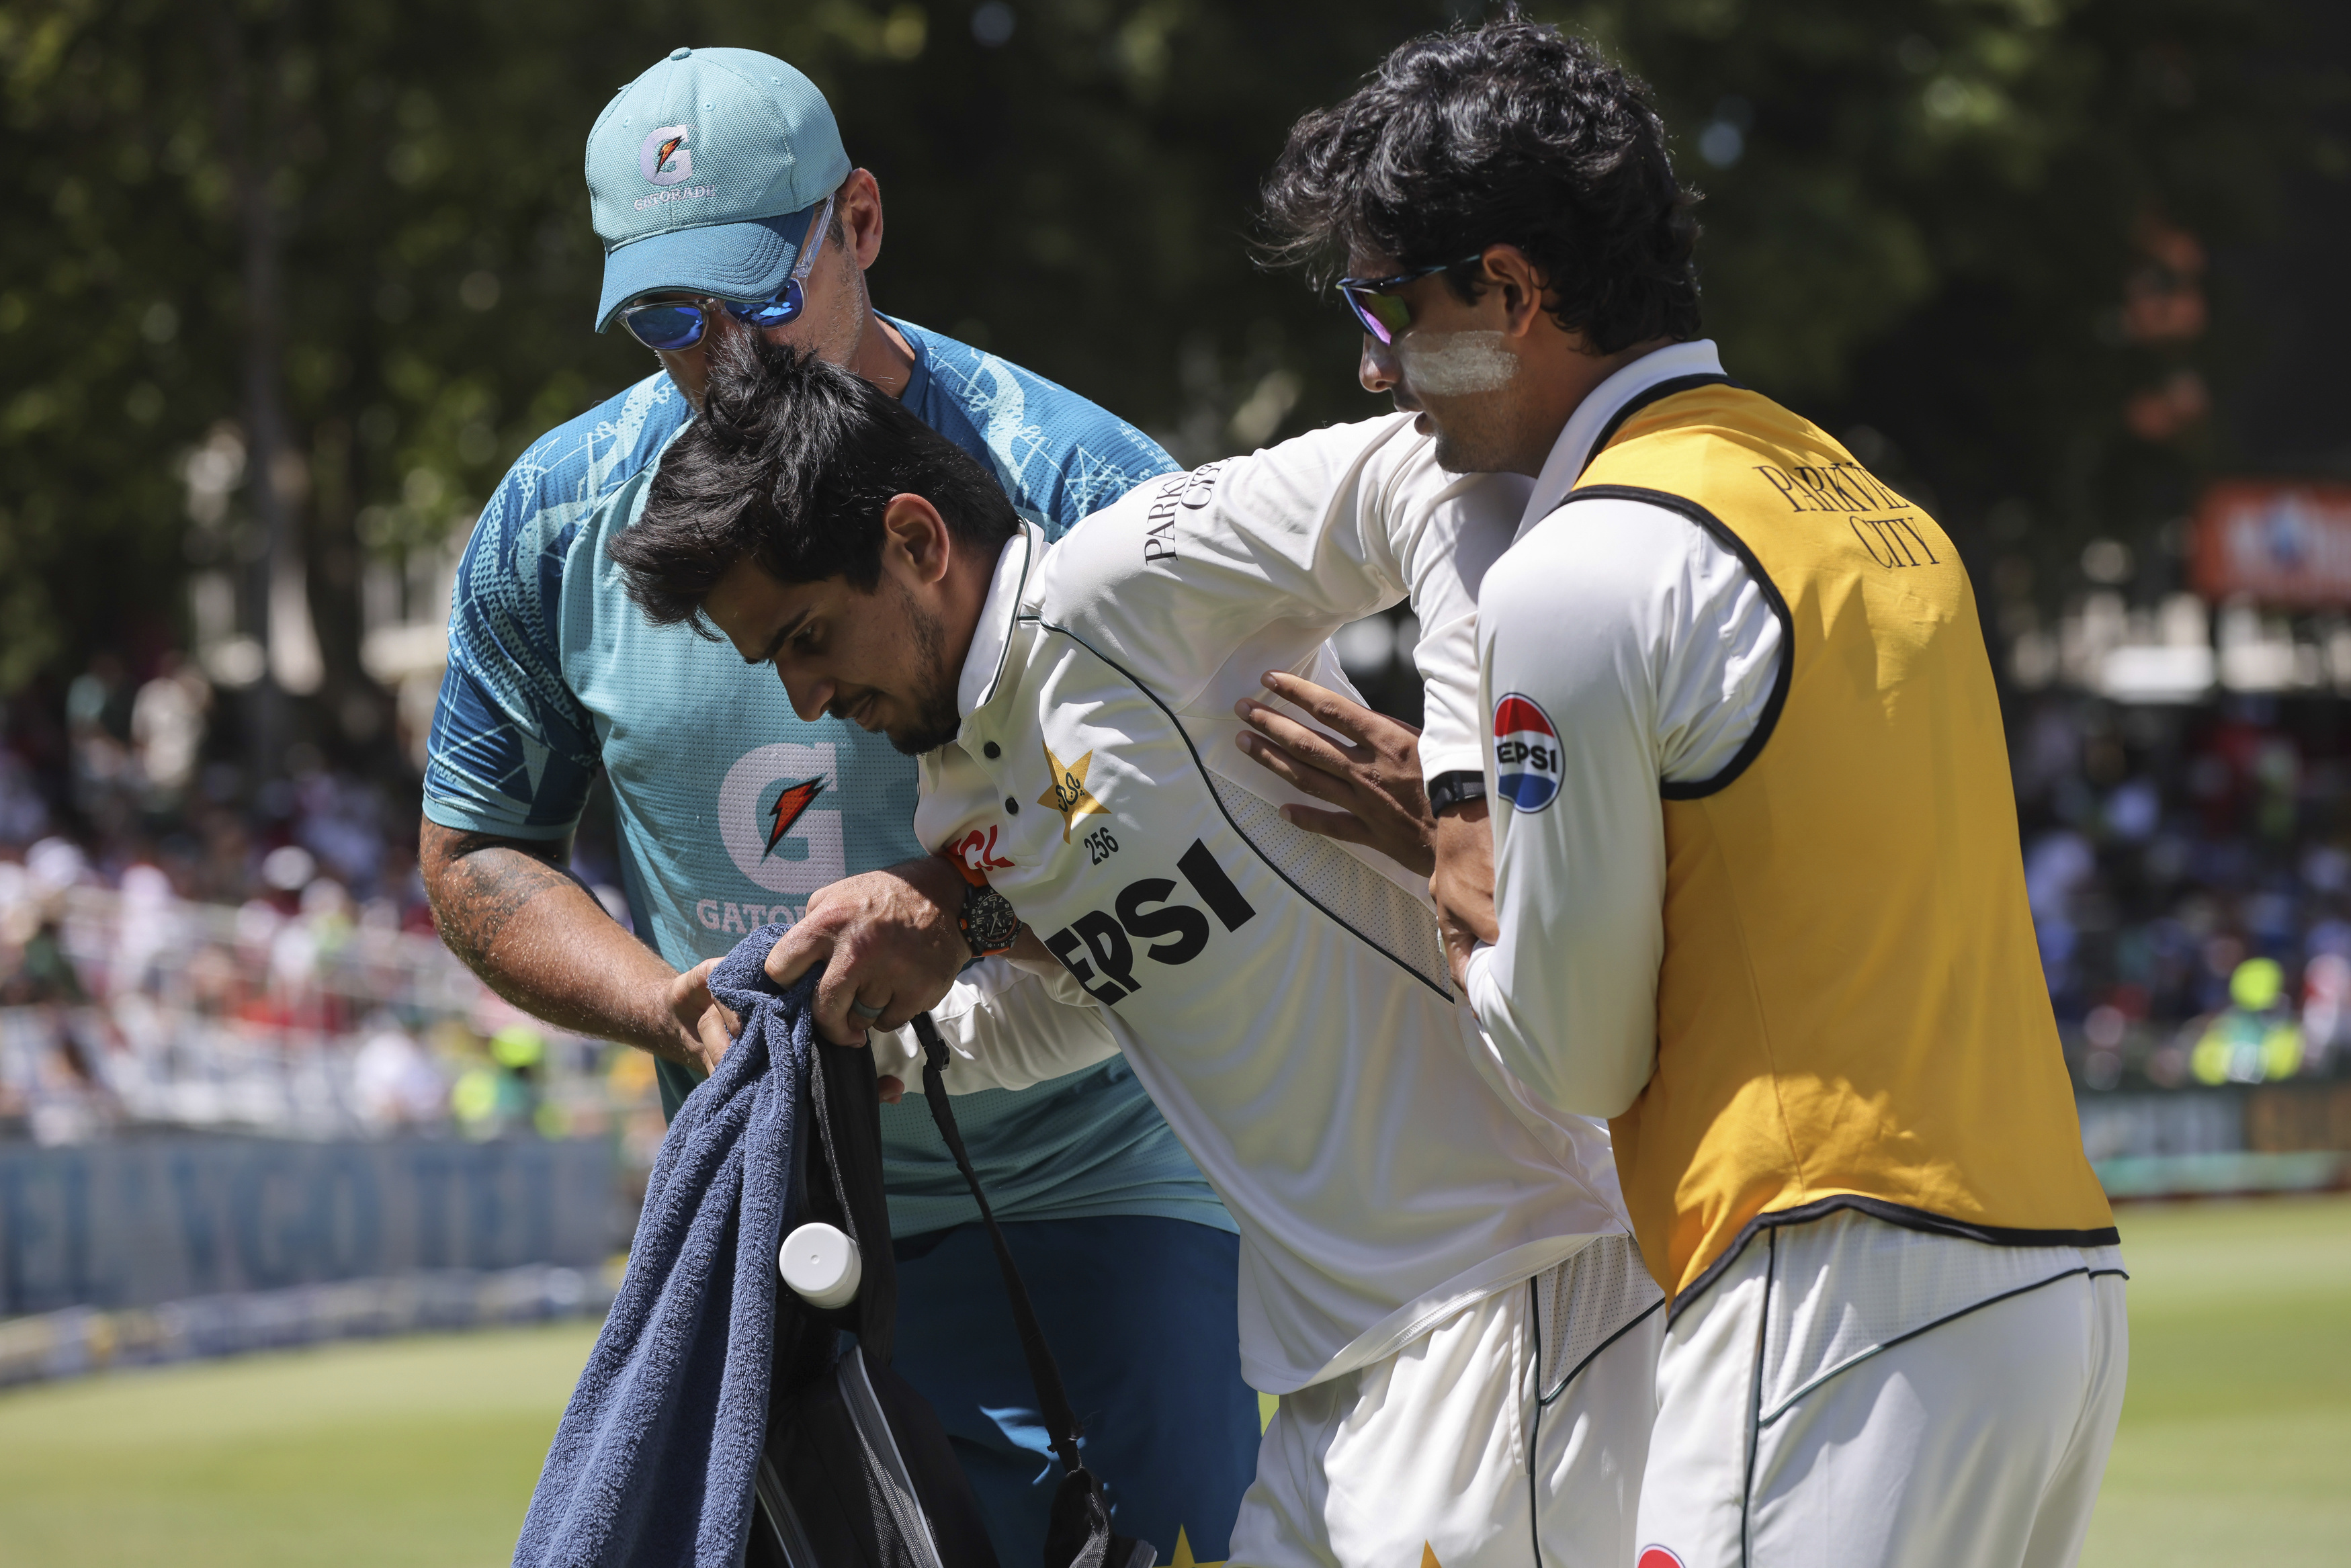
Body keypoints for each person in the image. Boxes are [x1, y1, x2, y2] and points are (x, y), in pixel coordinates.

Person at [1255, 21, 2128, 1568]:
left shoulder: (1577, 566)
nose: (1370, 364)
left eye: (1386, 302)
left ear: (1510, 294)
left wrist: (1456, 855)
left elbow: (1573, 1056)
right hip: (2053, 1292)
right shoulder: (1866, 500)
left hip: (1823, 1295)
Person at [608, 330, 1662, 1568]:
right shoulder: (957, 798)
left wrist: (1465, 791)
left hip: (1508, 1283)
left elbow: (1428, 482)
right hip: (1333, 1364)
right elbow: (1116, 995)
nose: (800, 696)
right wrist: (895, 1046)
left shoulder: (1128, 576)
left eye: (808, 638)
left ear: (914, 541)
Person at [417, 46, 1258, 1561]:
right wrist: (667, 1009)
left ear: (859, 222)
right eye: (671, 319)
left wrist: (950, 908)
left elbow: (1227, 817)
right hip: (774, 1207)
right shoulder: (554, 517)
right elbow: (476, 851)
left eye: (756, 295)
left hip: (1110, 1183)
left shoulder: (1076, 478)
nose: (720, 354)